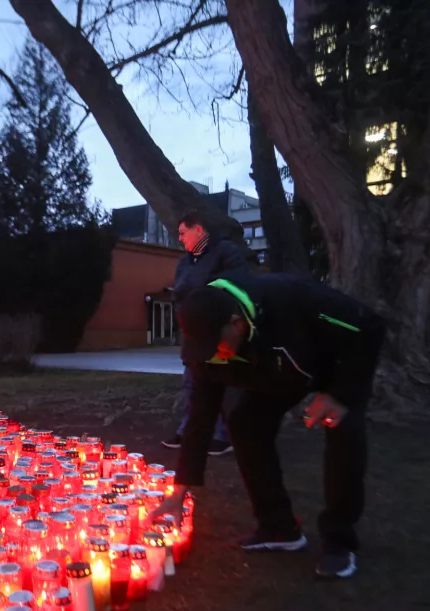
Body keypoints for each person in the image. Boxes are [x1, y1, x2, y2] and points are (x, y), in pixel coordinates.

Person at [152, 271, 385, 579]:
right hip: (278, 374)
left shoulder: (293, 299)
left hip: (336, 369)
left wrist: (340, 395)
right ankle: (279, 528)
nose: (213, 356)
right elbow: (200, 418)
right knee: (245, 423)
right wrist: (179, 491)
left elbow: (370, 327)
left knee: (344, 432)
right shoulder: (206, 353)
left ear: (236, 323)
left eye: (216, 345)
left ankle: (339, 540)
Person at [162, 214, 249, 456]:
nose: (180, 239)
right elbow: (181, 289)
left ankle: (224, 435)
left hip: (219, 327)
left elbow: (238, 283)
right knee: (192, 382)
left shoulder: (226, 252)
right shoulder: (185, 262)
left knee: (222, 382)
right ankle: (190, 431)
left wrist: (203, 293)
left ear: (198, 230)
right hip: (193, 329)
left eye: (183, 233)